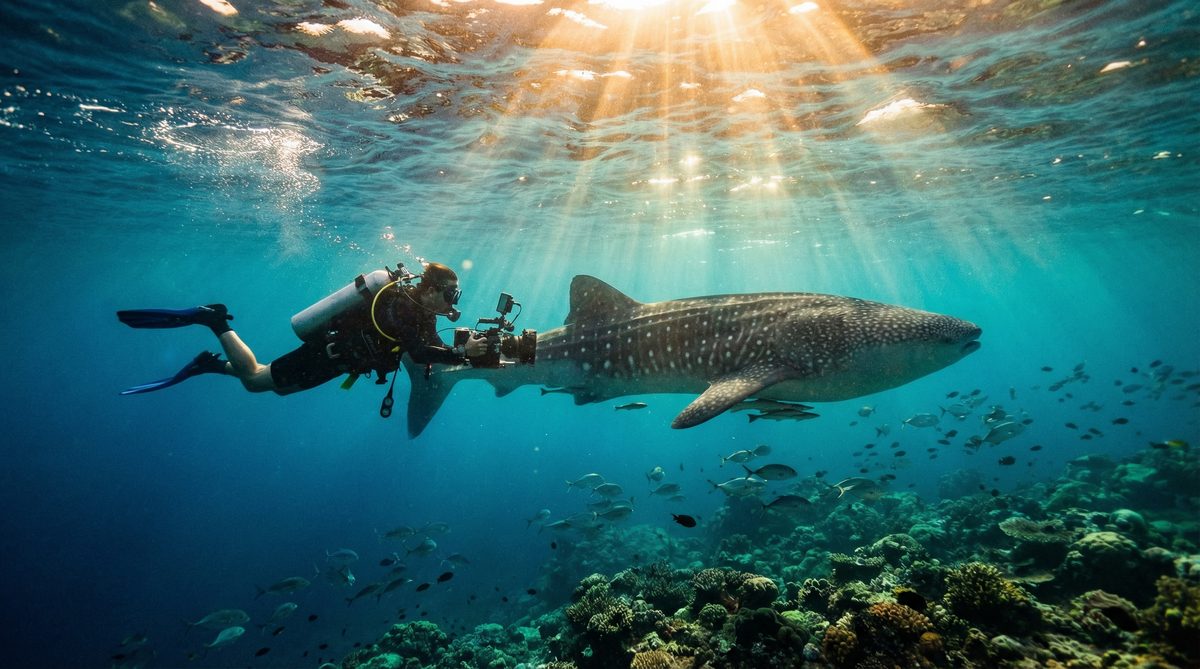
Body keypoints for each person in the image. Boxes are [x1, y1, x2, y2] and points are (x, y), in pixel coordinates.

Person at [117, 262, 487, 397]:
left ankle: (210, 365)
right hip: (327, 355)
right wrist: (460, 354)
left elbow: (427, 345)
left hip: (339, 363)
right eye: (451, 293)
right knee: (257, 382)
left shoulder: (421, 312)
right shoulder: (406, 307)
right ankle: (214, 320)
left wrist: (462, 347)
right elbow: (421, 351)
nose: (454, 300)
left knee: (277, 389)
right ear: (431, 289)